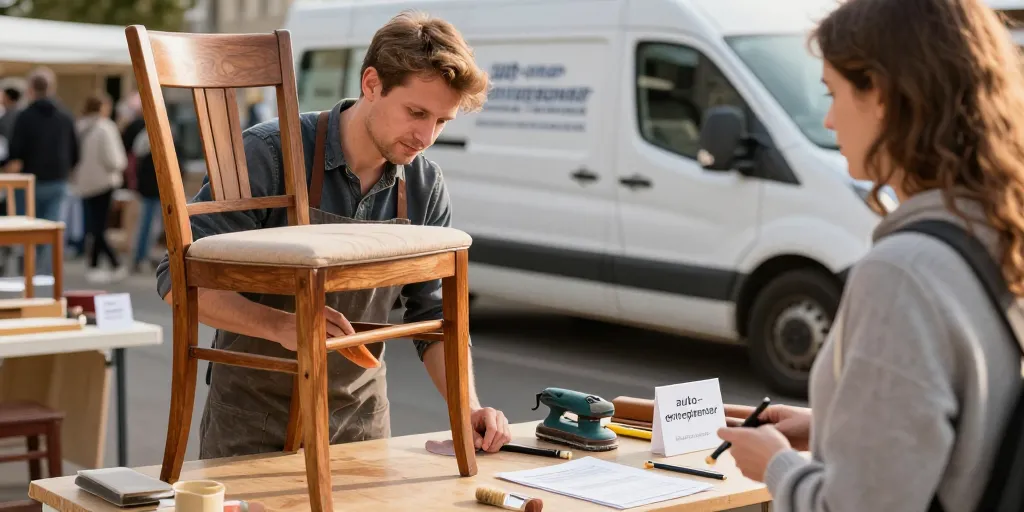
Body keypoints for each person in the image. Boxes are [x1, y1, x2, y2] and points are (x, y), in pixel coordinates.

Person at [154, 10, 513, 458]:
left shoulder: (424, 186)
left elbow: (435, 317)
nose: (425, 136)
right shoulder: (269, 154)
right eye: (416, 112)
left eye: (442, 122)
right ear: (371, 84)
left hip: (359, 425)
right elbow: (179, 279)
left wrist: (469, 407)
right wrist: (283, 326)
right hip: (253, 418)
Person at [716, 0, 1024, 511]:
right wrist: (834, 427)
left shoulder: (903, 271)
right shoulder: (999, 234)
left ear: (880, 94)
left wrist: (776, 466)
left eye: (833, 92)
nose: (831, 120)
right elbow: (979, 431)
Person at [2, 67, 78, 276]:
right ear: (52, 88)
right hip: (57, 181)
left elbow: (15, 153)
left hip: (30, 182)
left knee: (26, 231)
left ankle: (26, 273)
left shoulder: (24, 116)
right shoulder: (65, 115)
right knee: (51, 232)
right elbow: (75, 150)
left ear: (30, 89)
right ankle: (46, 277)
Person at [70, 92, 129, 282]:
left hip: (84, 183)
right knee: (99, 227)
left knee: (93, 225)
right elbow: (115, 160)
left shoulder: (79, 126)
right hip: (104, 182)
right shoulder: (106, 128)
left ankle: (93, 265)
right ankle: (115, 262)